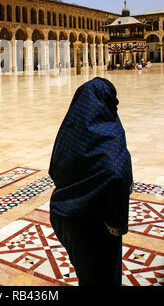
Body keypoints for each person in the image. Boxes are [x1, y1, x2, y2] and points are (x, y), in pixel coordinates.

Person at [48, 77, 133, 286]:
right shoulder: (111, 135)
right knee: (102, 277)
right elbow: (117, 174)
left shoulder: (70, 131)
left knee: (86, 271)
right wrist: (116, 224)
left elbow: (55, 169)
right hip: (94, 224)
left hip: (64, 216)